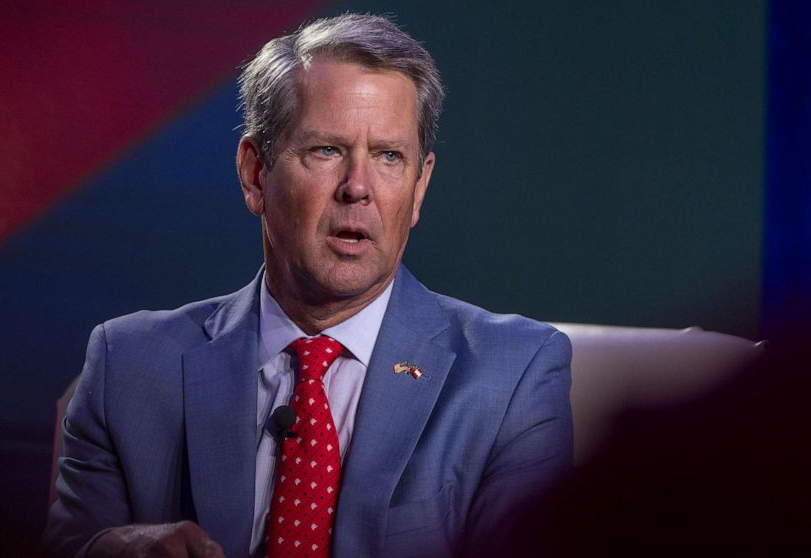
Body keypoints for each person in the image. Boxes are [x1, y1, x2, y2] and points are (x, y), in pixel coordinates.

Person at [44, 13, 572, 558]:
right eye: (326, 151)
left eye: (389, 157)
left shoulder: (511, 378)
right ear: (255, 174)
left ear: (419, 188)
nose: (358, 188)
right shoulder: (127, 365)